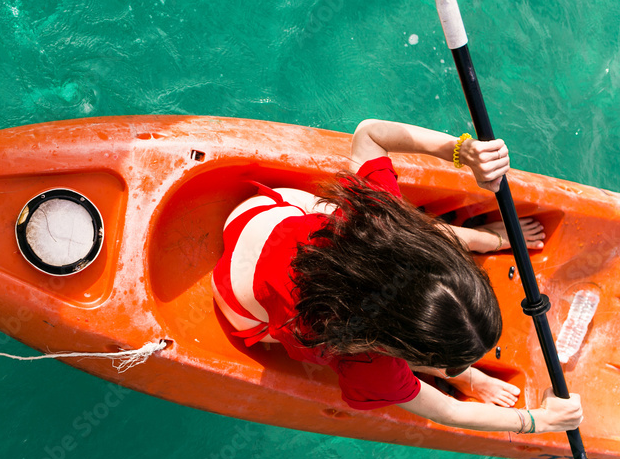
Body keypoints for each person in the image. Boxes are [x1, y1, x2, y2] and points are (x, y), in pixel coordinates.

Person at [211, 119, 583, 434]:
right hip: (242, 310)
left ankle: (488, 241)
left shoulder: (375, 221)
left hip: (258, 215)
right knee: (379, 343)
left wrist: (462, 151)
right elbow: (448, 411)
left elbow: (370, 132)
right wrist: (536, 422)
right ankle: (464, 376)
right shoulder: (371, 365)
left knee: (412, 234)